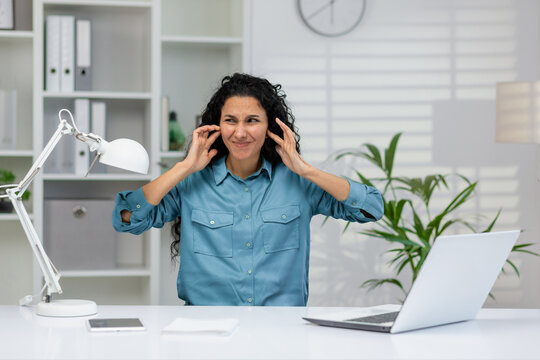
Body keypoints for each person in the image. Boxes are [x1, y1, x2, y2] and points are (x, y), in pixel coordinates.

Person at [112, 73, 383, 306]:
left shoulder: (299, 183)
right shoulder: (191, 182)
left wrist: (306, 170)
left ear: (270, 127)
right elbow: (127, 218)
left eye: (252, 120)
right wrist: (183, 168)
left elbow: (371, 208)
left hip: (282, 333)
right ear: (218, 126)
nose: (240, 133)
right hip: (206, 332)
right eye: (231, 120)